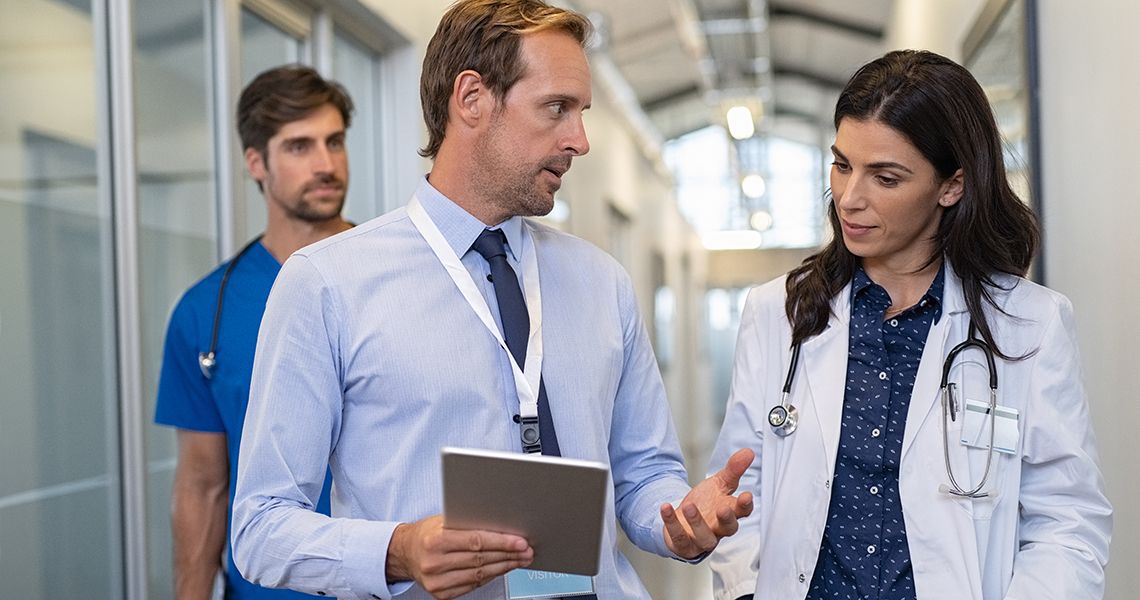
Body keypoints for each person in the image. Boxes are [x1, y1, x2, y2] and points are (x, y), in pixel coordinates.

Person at [230, 1, 754, 599]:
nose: (579, 140)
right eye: (557, 108)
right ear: (472, 98)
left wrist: (679, 521)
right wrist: (398, 550)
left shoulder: (601, 283)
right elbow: (260, 525)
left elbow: (645, 475)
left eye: (581, 113)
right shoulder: (327, 284)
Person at [706, 49, 1113, 600]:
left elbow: (1067, 519)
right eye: (842, 164)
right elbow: (739, 484)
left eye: (886, 178)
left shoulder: (1029, 325)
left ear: (951, 186)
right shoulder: (777, 313)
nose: (849, 198)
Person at [155, 65, 355, 599]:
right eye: (299, 146)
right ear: (256, 163)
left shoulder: (399, 277)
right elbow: (202, 486)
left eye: (334, 141)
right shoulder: (206, 313)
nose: (326, 163)